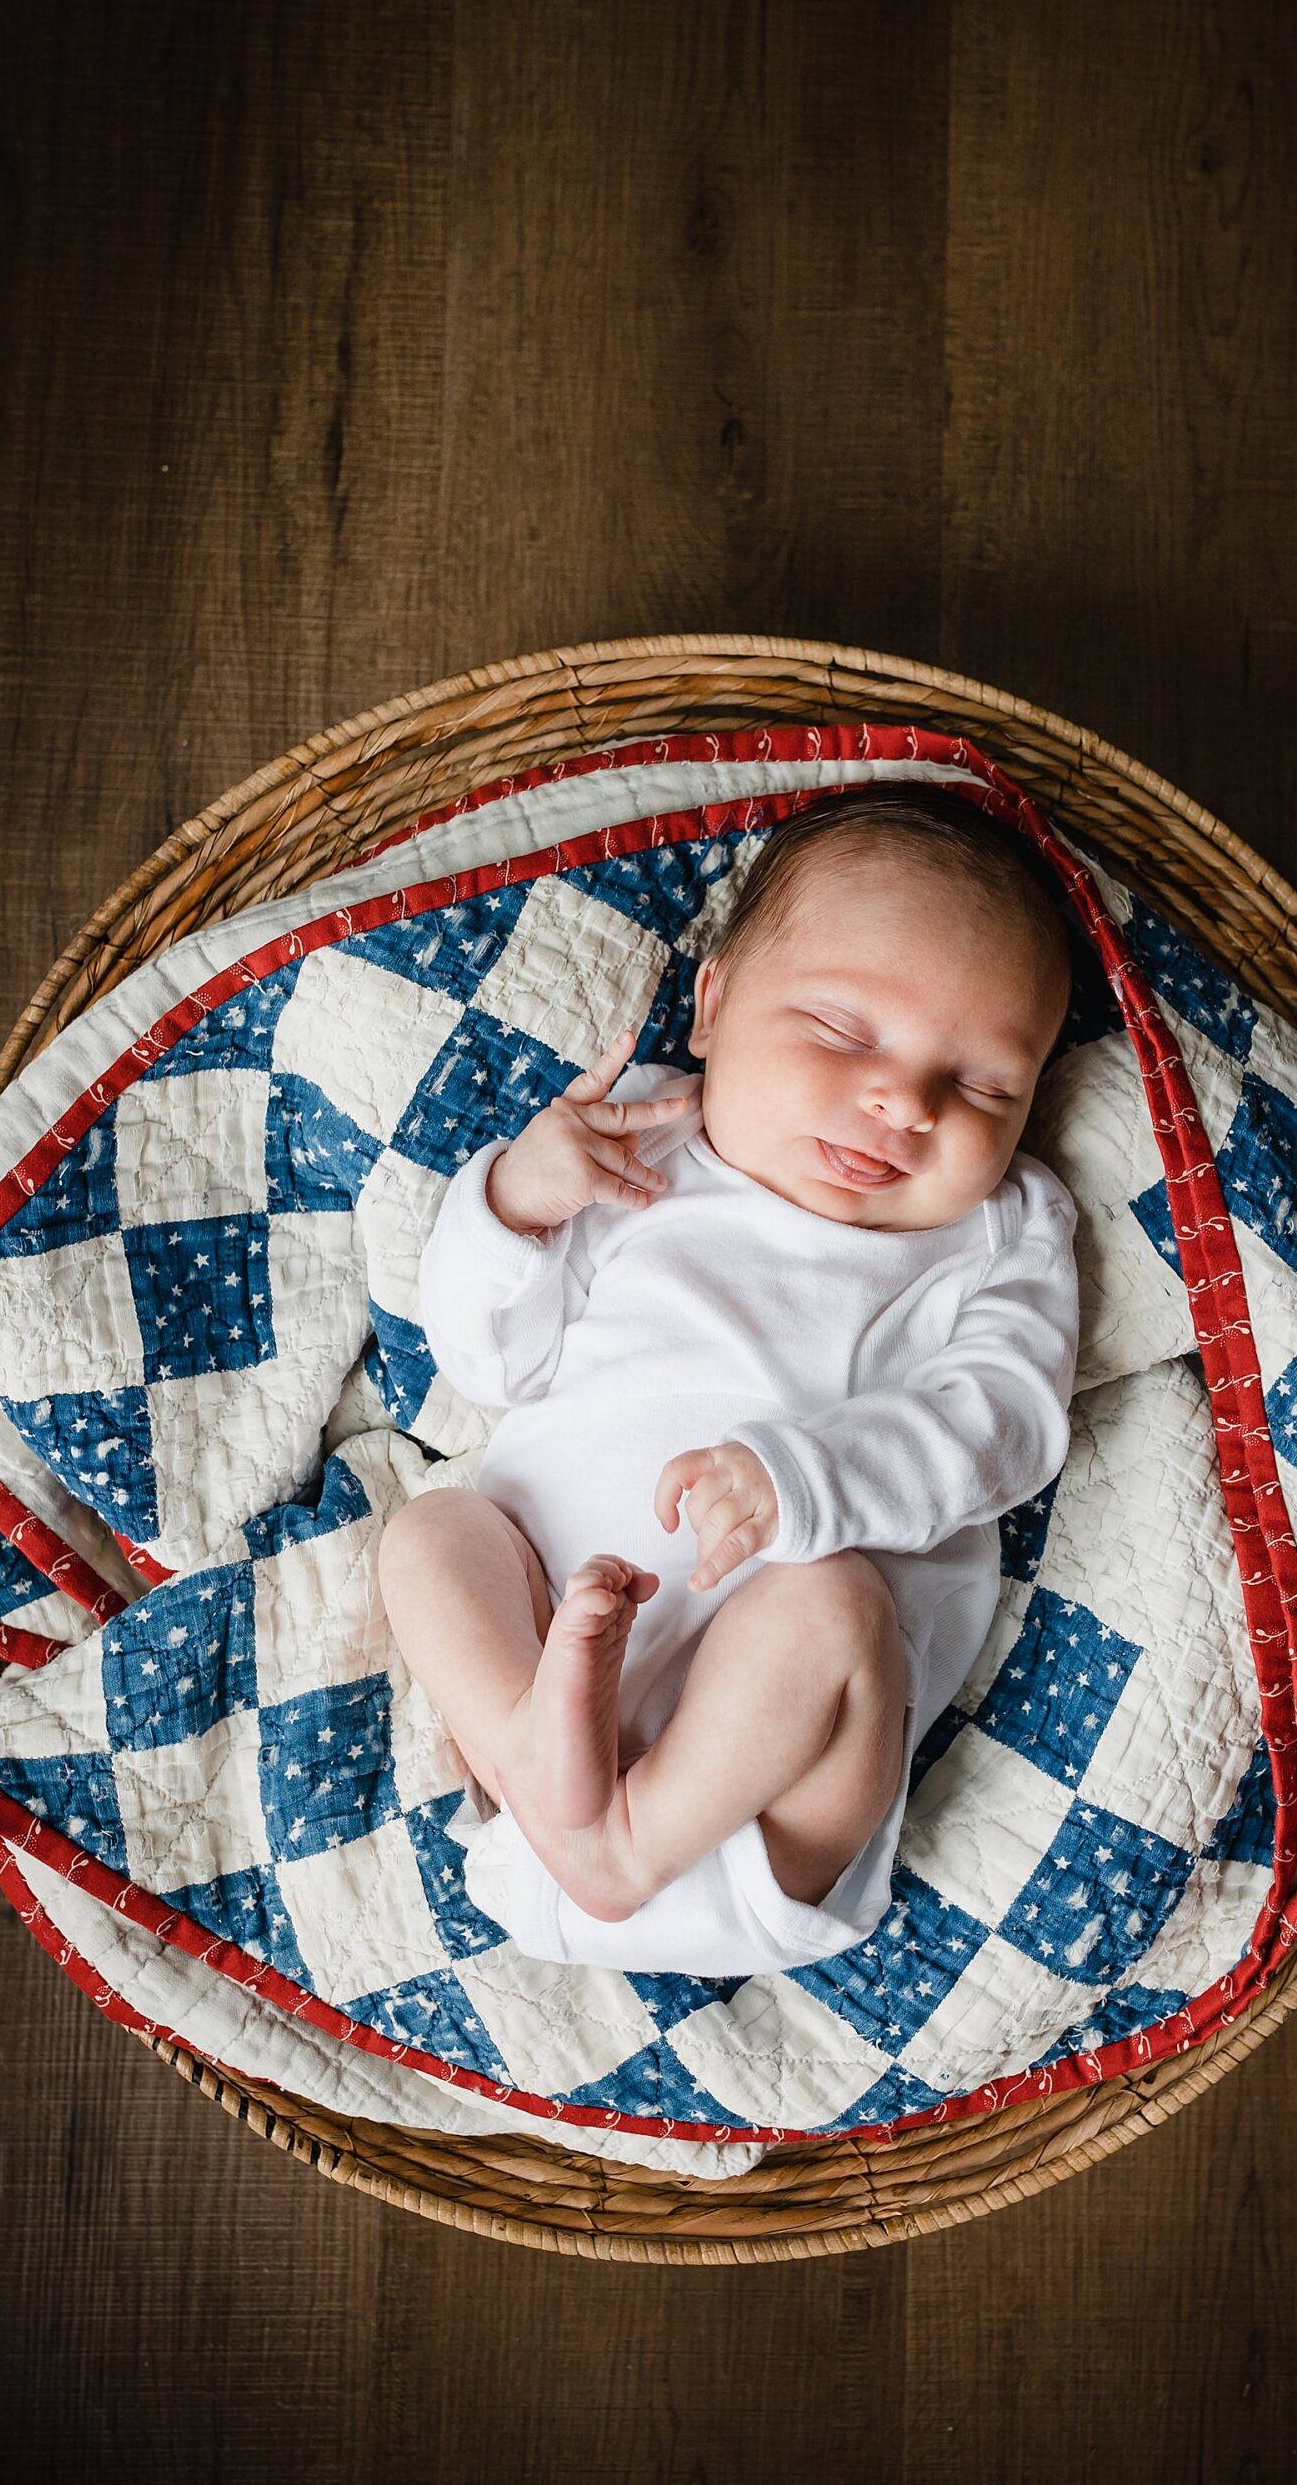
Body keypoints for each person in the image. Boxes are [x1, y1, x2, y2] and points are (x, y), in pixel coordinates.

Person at [376, 780, 1082, 1975]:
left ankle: (619, 1843)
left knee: (832, 1603)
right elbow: (484, 1355)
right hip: (548, 1718)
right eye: (846, 1033)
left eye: (981, 1088)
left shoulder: (999, 1233)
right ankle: (548, 1772)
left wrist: (802, 1481)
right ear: (710, 1006)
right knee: (434, 1534)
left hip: (768, 1817)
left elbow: (1004, 1428)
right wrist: (512, 1204)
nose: (901, 1103)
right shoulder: (639, 1148)